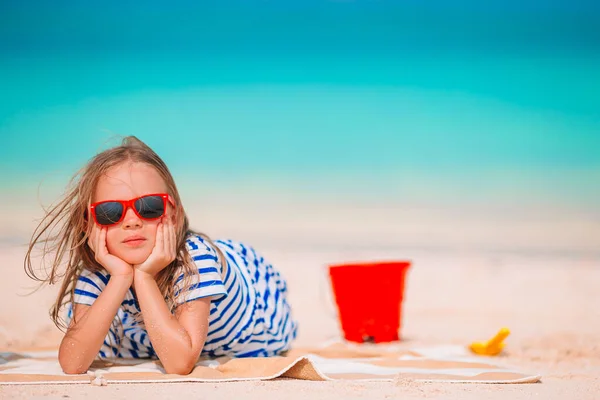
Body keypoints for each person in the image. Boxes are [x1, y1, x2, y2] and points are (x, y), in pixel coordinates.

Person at [24, 136, 298, 375]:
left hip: (250, 320)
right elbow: (72, 363)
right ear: (90, 223)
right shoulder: (100, 270)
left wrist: (143, 277)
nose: (131, 221)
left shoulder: (194, 259)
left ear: (173, 213)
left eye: (149, 206)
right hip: (145, 336)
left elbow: (180, 364)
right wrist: (120, 277)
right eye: (111, 212)